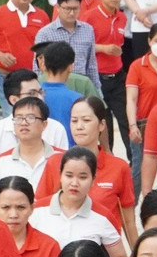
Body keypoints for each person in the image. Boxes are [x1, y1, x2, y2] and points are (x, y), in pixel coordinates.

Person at [35, 96, 137, 244]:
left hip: (103, 250)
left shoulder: (119, 167)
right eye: (74, 120)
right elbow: (39, 211)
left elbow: (129, 222)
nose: (79, 126)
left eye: (86, 120)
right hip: (60, 250)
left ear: (102, 125)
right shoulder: (55, 162)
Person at [28, 147, 125, 257]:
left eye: (82, 177)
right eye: (69, 176)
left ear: (93, 180)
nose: (74, 183)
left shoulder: (103, 216)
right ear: (60, 175)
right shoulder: (36, 211)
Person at [0, 70, 70, 168]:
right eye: (32, 93)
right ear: (13, 100)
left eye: (40, 92)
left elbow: (63, 167)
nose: (40, 98)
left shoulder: (56, 128)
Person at [124, 22, 157, 190]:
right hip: (143, 127)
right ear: (149, 41)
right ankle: (131, 208)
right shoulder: (137, 66)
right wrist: (132, 126)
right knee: (138, 172)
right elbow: (131, 99)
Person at [84, 0, 131, 158]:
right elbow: (83, 45)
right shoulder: (89, 17)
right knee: (105, 124)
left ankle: (133, 162)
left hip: (118, 76)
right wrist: (103, 48)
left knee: (126, 120)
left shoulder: (122, 17)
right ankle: (107, 159)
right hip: (98, 78)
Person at [0, 95, 56, 208]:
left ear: (44, 124)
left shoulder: (61, 158)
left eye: (31, 118)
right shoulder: (1, 161)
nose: (24, 123)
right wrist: (9, 209)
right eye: (18, 118)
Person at [0, 177, 61, 257]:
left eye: (21, 207)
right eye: (6, 207)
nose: (13, 214)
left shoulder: (49, 247)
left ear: (32, 208)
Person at [34, 0, 101, 91]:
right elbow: (37, 68)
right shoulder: (45, 33)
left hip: (81, 86)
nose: (72, 13)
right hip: (55, 87)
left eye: (75, 8)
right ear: (58, 7)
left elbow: (91, 65)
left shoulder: (88, 30)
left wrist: (97, 92)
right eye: (67, 9)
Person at [36, 41, 82, 140]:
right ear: (70, 67)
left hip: (42, 152)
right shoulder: (77, 99)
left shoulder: (33, 96)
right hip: (70, 152)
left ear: (43, 64)